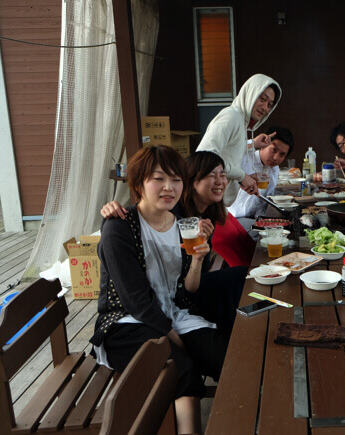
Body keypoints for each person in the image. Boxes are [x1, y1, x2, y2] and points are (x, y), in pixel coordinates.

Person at [91, 146, 227, 433]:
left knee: (224, 356)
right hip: (125, 323)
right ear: (139, 183)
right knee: (181, 368)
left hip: (173, 314)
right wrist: (177, 339)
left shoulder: (182, 224)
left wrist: (197, 261)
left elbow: (189, 291)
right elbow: (136, 301)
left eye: (176, 179)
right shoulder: (119, 227)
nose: (169, 187)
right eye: (158, 178)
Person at [101, 151, 249, 330]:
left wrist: (200, 255)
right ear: (192, 181)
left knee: (242, 276)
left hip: (183, 290)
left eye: (223, 175)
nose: (220, 181)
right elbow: (134, 291)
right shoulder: (171, 211)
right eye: (211, 175)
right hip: (156, 304)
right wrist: (112, 211)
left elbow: (197, 274)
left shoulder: (206, 216)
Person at [196, 74, 282, 206]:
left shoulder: (242, 122)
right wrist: (241, 176)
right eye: (262, 99)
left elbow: (227, 153)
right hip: (209, 203)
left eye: (269, 105)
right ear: (251, 93)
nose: (265, 107)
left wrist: (240, 180)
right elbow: (203, 157)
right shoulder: (231, 116)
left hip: (218, 204)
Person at [227, 126, 294, 226]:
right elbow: (224, 151)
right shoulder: (245, 156)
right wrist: (254, 142)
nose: (276, 158)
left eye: (282, 155)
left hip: (254, 218)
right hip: (232, 217)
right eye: (274, 150)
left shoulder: (274, 169)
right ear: (263, 144)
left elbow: (263, 201)